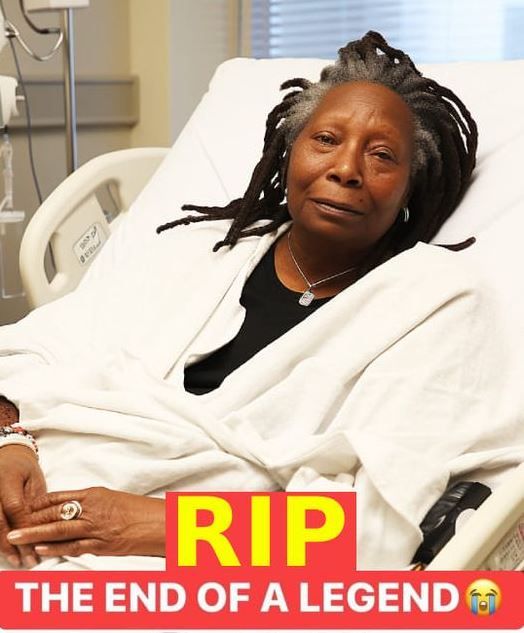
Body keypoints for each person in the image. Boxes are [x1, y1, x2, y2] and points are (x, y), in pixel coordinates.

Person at [0, 32, 518, 571]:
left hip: (200, 563)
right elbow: (25, 354)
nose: (346, 168)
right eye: (325, 140)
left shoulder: (437, 302)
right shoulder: (194, 251)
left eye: (382, 155)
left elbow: (372, 532)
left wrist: (152, 526)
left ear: (410, 187)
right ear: (288, 153)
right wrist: (9, 443)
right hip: (38, 500)